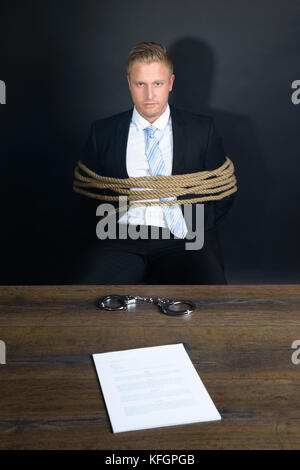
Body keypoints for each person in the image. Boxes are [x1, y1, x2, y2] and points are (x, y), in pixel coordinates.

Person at [75, 41, 235, 284]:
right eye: (141, 84)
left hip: (185, 238)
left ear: (170, 83)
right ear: (129, 83)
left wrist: (199, 227)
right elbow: (88, 194)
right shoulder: (103, 132)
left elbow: (222, 192)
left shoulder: (202, 130)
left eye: (157, 84)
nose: (149, 95)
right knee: (84, 299)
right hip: (121, 239)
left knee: (213, 300)